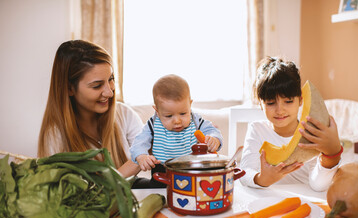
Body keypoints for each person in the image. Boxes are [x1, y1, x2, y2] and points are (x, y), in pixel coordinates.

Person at [37, 39, 143, 178]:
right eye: (97, 85)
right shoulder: (55, 137)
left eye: (111, 79)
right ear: (69, 89)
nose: (110, 93)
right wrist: (134, 164)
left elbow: (149, 148)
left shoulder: (124, 114)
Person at [239, 56, 343, 192]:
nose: (279, 110)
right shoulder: (257, 129)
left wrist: (332, 154)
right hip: (267, 201)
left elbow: (318, 185)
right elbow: (245, 172)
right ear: (260, 104)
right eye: (270, 103)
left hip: (305, 201)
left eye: (288, 101)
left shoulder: (311, 133)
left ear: (300, 100)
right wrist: (261, 179)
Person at [130, 74, 223, 188]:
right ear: (157, 111)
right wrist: (141, 156)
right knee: (157, 191)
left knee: (194, 189)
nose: (177, 121)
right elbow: (138, 143)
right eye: (169, 116)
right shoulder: (153, 124)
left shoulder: (196, 120)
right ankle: (137, 182)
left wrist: (214, 139)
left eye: (183, 113)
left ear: (190, 104)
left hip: (191, 170)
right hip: (162, 171)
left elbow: (212, 130)